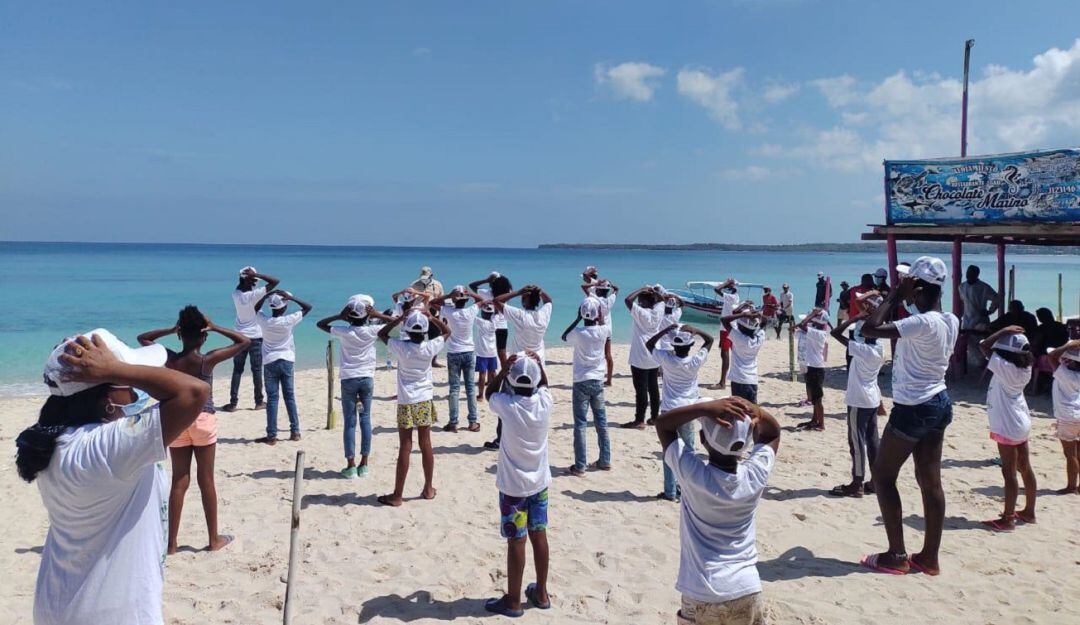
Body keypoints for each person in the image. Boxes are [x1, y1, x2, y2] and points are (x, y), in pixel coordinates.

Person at [16, 329, 209, 625]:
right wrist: (117, 369)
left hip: (60, 604)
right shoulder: (108, 449)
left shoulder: (56, 443)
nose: (135, 393)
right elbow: (194, 392)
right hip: (111, 612)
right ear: (108, 398)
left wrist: (117, 373)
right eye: (127, 384)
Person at [860, 256, 958, 576]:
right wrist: (906, 297)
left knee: (883, 476)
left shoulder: (921, 323)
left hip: (913, 407)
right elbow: (915, 320)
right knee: (930, 481)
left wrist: (892, 297)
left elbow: (870, 328)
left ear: (915, 287)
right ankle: (929, 557)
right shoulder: (949, 320)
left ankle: (897, 555)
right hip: (939, 401)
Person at [654, 396, 781, 625]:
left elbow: (663, 424)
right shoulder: (754, 476)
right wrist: (757, 411)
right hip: (747, 587)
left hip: (703, 590)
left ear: (703, 439)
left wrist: (703, 408)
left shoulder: (694, 476)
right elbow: (772, 433)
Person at [137, 307, 248, 554]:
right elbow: (244, 341)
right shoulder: (206, 361)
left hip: (176, 421)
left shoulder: (170, 359)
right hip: (203, 420)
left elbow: (143, 339)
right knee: (206, 479)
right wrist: (215, 326)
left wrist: (170, 329)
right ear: (203, 336)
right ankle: (213, 539)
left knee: (179, 480)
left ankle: (172, 544)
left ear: (180, 335)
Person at [484, 353, 553, 617]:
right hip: (539, 484)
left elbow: (490, 393)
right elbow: (544, 386)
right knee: (539, 535)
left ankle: (513, 600)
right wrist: (538, 365)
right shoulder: (545, 402)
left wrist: (503, 371)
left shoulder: (506, 404)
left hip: (513, 488)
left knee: (516, 541)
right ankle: (542, 593)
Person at [377, 310, 451, 506]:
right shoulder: (429, 347)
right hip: (424, 398)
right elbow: (447, 332)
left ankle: (397, 495)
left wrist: (399, 319)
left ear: (407, 331)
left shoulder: (401, 347)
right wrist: (432, 317)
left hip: (406, 400)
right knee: (425, 443)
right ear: (425, 331)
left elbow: (382, 334)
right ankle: (428, 488)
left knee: (405, 446)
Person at [316, 295, 393, 478]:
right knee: (365, 420)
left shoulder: (344, 331)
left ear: (349, 317)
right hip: (367, 378)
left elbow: (320, 324)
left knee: (350, 423)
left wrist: (339, 316)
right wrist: (378, 315)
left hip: (349, 379)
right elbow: (397, 322)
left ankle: (350, 465)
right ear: (368, 317)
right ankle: (364, 464)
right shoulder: (373, 330)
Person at [978, 326, 1037, 531]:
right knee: (1025, 467)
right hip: (1021, 420)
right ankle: (1029, 511)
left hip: (1007, 424)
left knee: (1009, 472)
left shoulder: (1004, 366)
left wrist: (1003, 331)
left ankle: (1008, 518)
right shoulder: (1024, 368)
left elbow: (983, 345)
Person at [646, 323, 714, 502]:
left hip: (669, 409)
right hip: (687, 410)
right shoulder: (694, 361)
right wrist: (696, 330)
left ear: (674, 346)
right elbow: (710, 340)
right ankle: (686, 489)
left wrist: (663, 331)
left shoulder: (667, 359)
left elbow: (649, 345)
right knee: (689, 452)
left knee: (669, 451)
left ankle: (670, 491)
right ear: (691, 346)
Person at [828, 308, 884, 498]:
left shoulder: (862, 350)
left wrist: (855, 318)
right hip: (872, 399)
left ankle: (857, 483)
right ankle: (876, 481)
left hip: (858, 400)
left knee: (857, 443)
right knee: (873, 441)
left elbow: (835, 333)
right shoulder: (878, 348)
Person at [253, 290, 312, 444]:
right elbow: (307, 307)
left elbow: (256, 309)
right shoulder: (288, 320)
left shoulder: (265, 321)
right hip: (287, 360)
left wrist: (264, 296)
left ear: (271, 307)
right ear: (284, 307)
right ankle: (295, 432)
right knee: (289, 397)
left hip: (270, 361)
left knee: (272, 399)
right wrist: (292, 298)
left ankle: (271, 435)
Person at [561, 297, 612, 476]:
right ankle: (605, 460)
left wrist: (577, 318)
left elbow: (564, 336)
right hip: (598, 380)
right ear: (597, 315)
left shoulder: (579, 332)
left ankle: (580, 465)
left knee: (580, 424)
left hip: (581, 380)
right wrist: (599, 315)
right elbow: (603, 323)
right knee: (601, 422)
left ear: (582, 314)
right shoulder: (604, 330)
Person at [223, 266, 280, 412]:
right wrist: (257, 274)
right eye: (253, 280)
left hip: (239, 336)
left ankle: (233, 403)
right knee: (256, 370)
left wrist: (247, 277)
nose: (255, 282)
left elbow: (242, 285)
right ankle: (259, 402)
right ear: (249, 280)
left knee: (237, 370)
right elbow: (275, 281)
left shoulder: (235, 294)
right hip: (255, 337)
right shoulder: (254, 295)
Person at [433, 285, 486, 433]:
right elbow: (482, 300)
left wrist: (448, 295)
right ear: (466, 300)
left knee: (454, 389)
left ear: (454, 299)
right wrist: (470, 294)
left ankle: (453, 422)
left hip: (454, 352)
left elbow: (432, 303)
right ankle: (473, 422)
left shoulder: (448, 311)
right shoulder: (471, 311)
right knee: (470, 389)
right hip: (469, 351)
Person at [622, 285, 666, 429]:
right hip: (654, 354)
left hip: (640, 356)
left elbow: (628, 300)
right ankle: (654, 417)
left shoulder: (641, 313)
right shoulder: (658, 311)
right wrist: (653, 292)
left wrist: (641, 289)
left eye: (640, 300)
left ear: (643, 302)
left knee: (641, 390)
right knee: (653, 388)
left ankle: (639, 420)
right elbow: (662, 300)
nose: (639, 302)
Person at [1048, 340, 1080, 495]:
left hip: (1068, 417)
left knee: (1070, 454)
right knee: (1078, 452)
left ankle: (1072, 486)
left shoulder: (1064, 373)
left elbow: (1051, 356)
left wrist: (1068, 345)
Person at [492, 284, 554, 365]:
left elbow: (496, 301)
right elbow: (548, 301)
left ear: (525, 300)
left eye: (522, 297)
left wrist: (519, 292)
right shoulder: (543, 316)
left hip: (519, 362)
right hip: (538, 362)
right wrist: (540, 292)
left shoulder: (520, 315)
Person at [470, 271, 514, 369]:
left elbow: (472, 285)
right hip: (502, 325)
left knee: (487, 353)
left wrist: (486, 280)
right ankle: (505, 374)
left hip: (488, 326)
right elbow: (507, 285)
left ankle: (488, 377)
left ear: (491, 283)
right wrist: (500, 278)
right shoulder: (507, 294)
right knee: (502, 353)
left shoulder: (486, 293)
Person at [722, 305, 765, 403]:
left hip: (739, 379)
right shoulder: (759, 338)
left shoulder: (738, 338)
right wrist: (758, 316)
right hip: (752, 380)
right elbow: (764, 323)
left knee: (740, 410)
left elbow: (724, 320)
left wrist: (743, 314)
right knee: (751, 411)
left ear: (741, 327)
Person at [795, 309, 830, 431]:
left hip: (816, 368)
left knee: (818, 399)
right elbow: (798, 328)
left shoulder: (819, 333)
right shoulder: (816, 332)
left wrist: (812, 314)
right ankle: (815, 420)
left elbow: (801, 325)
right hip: (812, 366)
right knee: (815, 398)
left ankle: (821, 424)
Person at [582, 275, 619, 387]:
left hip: (595, 329)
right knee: (608, 355)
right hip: (607, 330)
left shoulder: (594, 298)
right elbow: (616, 289)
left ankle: (594, 376)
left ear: (598, 290)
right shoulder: (610, 300)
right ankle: (609, 380)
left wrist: (596, 283)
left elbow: (583, 287)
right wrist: (609, 285)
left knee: (595, 354)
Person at [411, 267, 445, 367]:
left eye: (426, 277)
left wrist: (443, 314)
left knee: (435, 337)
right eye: (422, 277)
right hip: (419, 314)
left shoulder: (438, 284)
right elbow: (410, 299)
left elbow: (441, 299)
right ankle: (417, 359)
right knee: (417, 336)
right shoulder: (414, 285)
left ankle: (433, 361)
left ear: (431, 276)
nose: (424, 279)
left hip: (434, 314)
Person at [712, 278, 740, 389]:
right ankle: (730, 379)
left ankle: (722, 382)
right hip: (732, 328)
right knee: (731, 354)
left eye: (729, 287)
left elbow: (716, 289)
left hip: (726, 329)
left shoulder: (731, 297)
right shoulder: (734, 297)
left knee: (725, 355)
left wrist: (725, 283)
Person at [958, 265, 999, 331]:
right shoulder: (961, 287)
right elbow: (963, 302)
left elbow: (997, 298)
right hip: (966, 319)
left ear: (977, 274)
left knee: (980, 339)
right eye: (968, 272)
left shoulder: (984, 287)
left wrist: (990, 311)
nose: (968, 275)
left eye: (971, 273)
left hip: (980, 319)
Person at [474, 302, 500, 404]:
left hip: (482, 353)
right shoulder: (495, 322)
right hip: (492, 352)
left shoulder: (481, 322)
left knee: (482, 374)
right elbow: (497, 313)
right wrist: (494, 302)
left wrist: (479, 303)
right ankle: (495, 392)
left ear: (483, 314)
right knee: (493, 373)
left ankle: (481, 395)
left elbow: (471, 315)